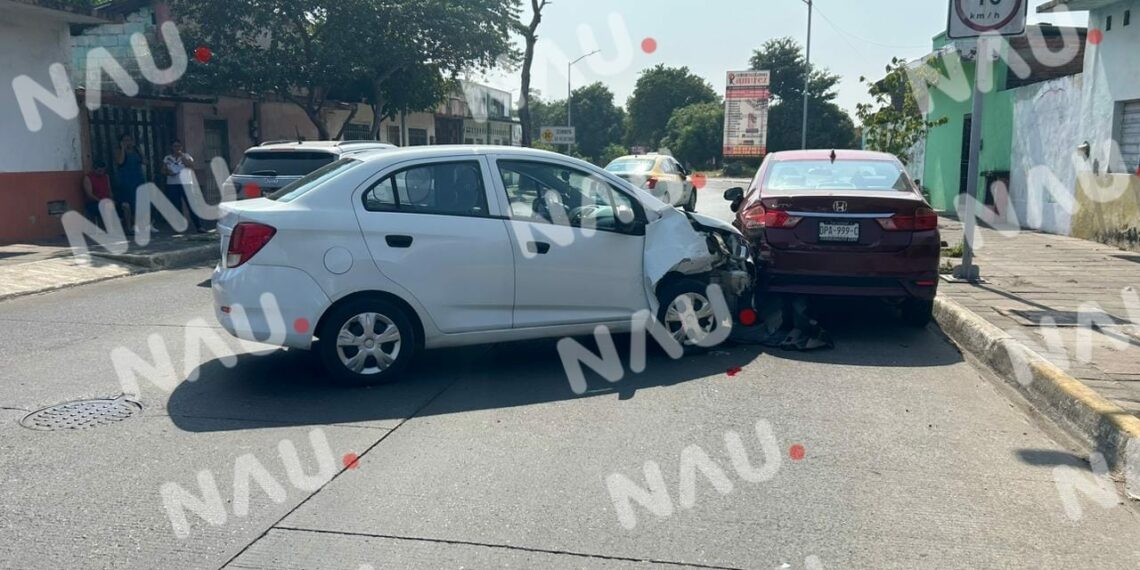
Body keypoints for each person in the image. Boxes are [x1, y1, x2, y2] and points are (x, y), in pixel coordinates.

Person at [162, 139, 205, 233]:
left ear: (181, 147)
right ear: (171, 147)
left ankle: (199, 226)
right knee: (176, 206)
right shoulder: (167, 158)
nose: (176, 148)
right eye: (174, 146)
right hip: (173, 184)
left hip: (186, 183)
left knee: (191, 205)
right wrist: (168, 173)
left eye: (178, 146)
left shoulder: (186, 156)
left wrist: (182, 156)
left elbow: (191, 166)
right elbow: (163, 170)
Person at [114, 133, 149, 235]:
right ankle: (128, 227)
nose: (127, 142)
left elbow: (145, 162)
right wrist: (123, 149)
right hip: (126, 180)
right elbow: (120, 162)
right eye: (125, 140)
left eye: (129, 140)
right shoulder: (118, 151)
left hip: (138, 179)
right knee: (127, 204)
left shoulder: (136, 151)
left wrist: (141, 152)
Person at [82, 161, 114, 229]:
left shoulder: (106, 176)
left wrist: (111, 199)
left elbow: (109, 190)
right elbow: (89, 195)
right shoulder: (88, 178)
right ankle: (110, 230)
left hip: (106, 201)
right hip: (94, 203)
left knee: (124, 205)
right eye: (99, 171)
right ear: (94, 169)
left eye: (103, 171)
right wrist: (101, 201)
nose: (101, 173)